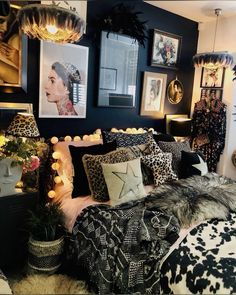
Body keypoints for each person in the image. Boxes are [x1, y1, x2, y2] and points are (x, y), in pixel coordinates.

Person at [0, 1, 20, 84]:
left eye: (7, 23)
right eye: (0, 21)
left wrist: (17, 58)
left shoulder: (13, 42)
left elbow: (18, 79)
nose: (5, 28)